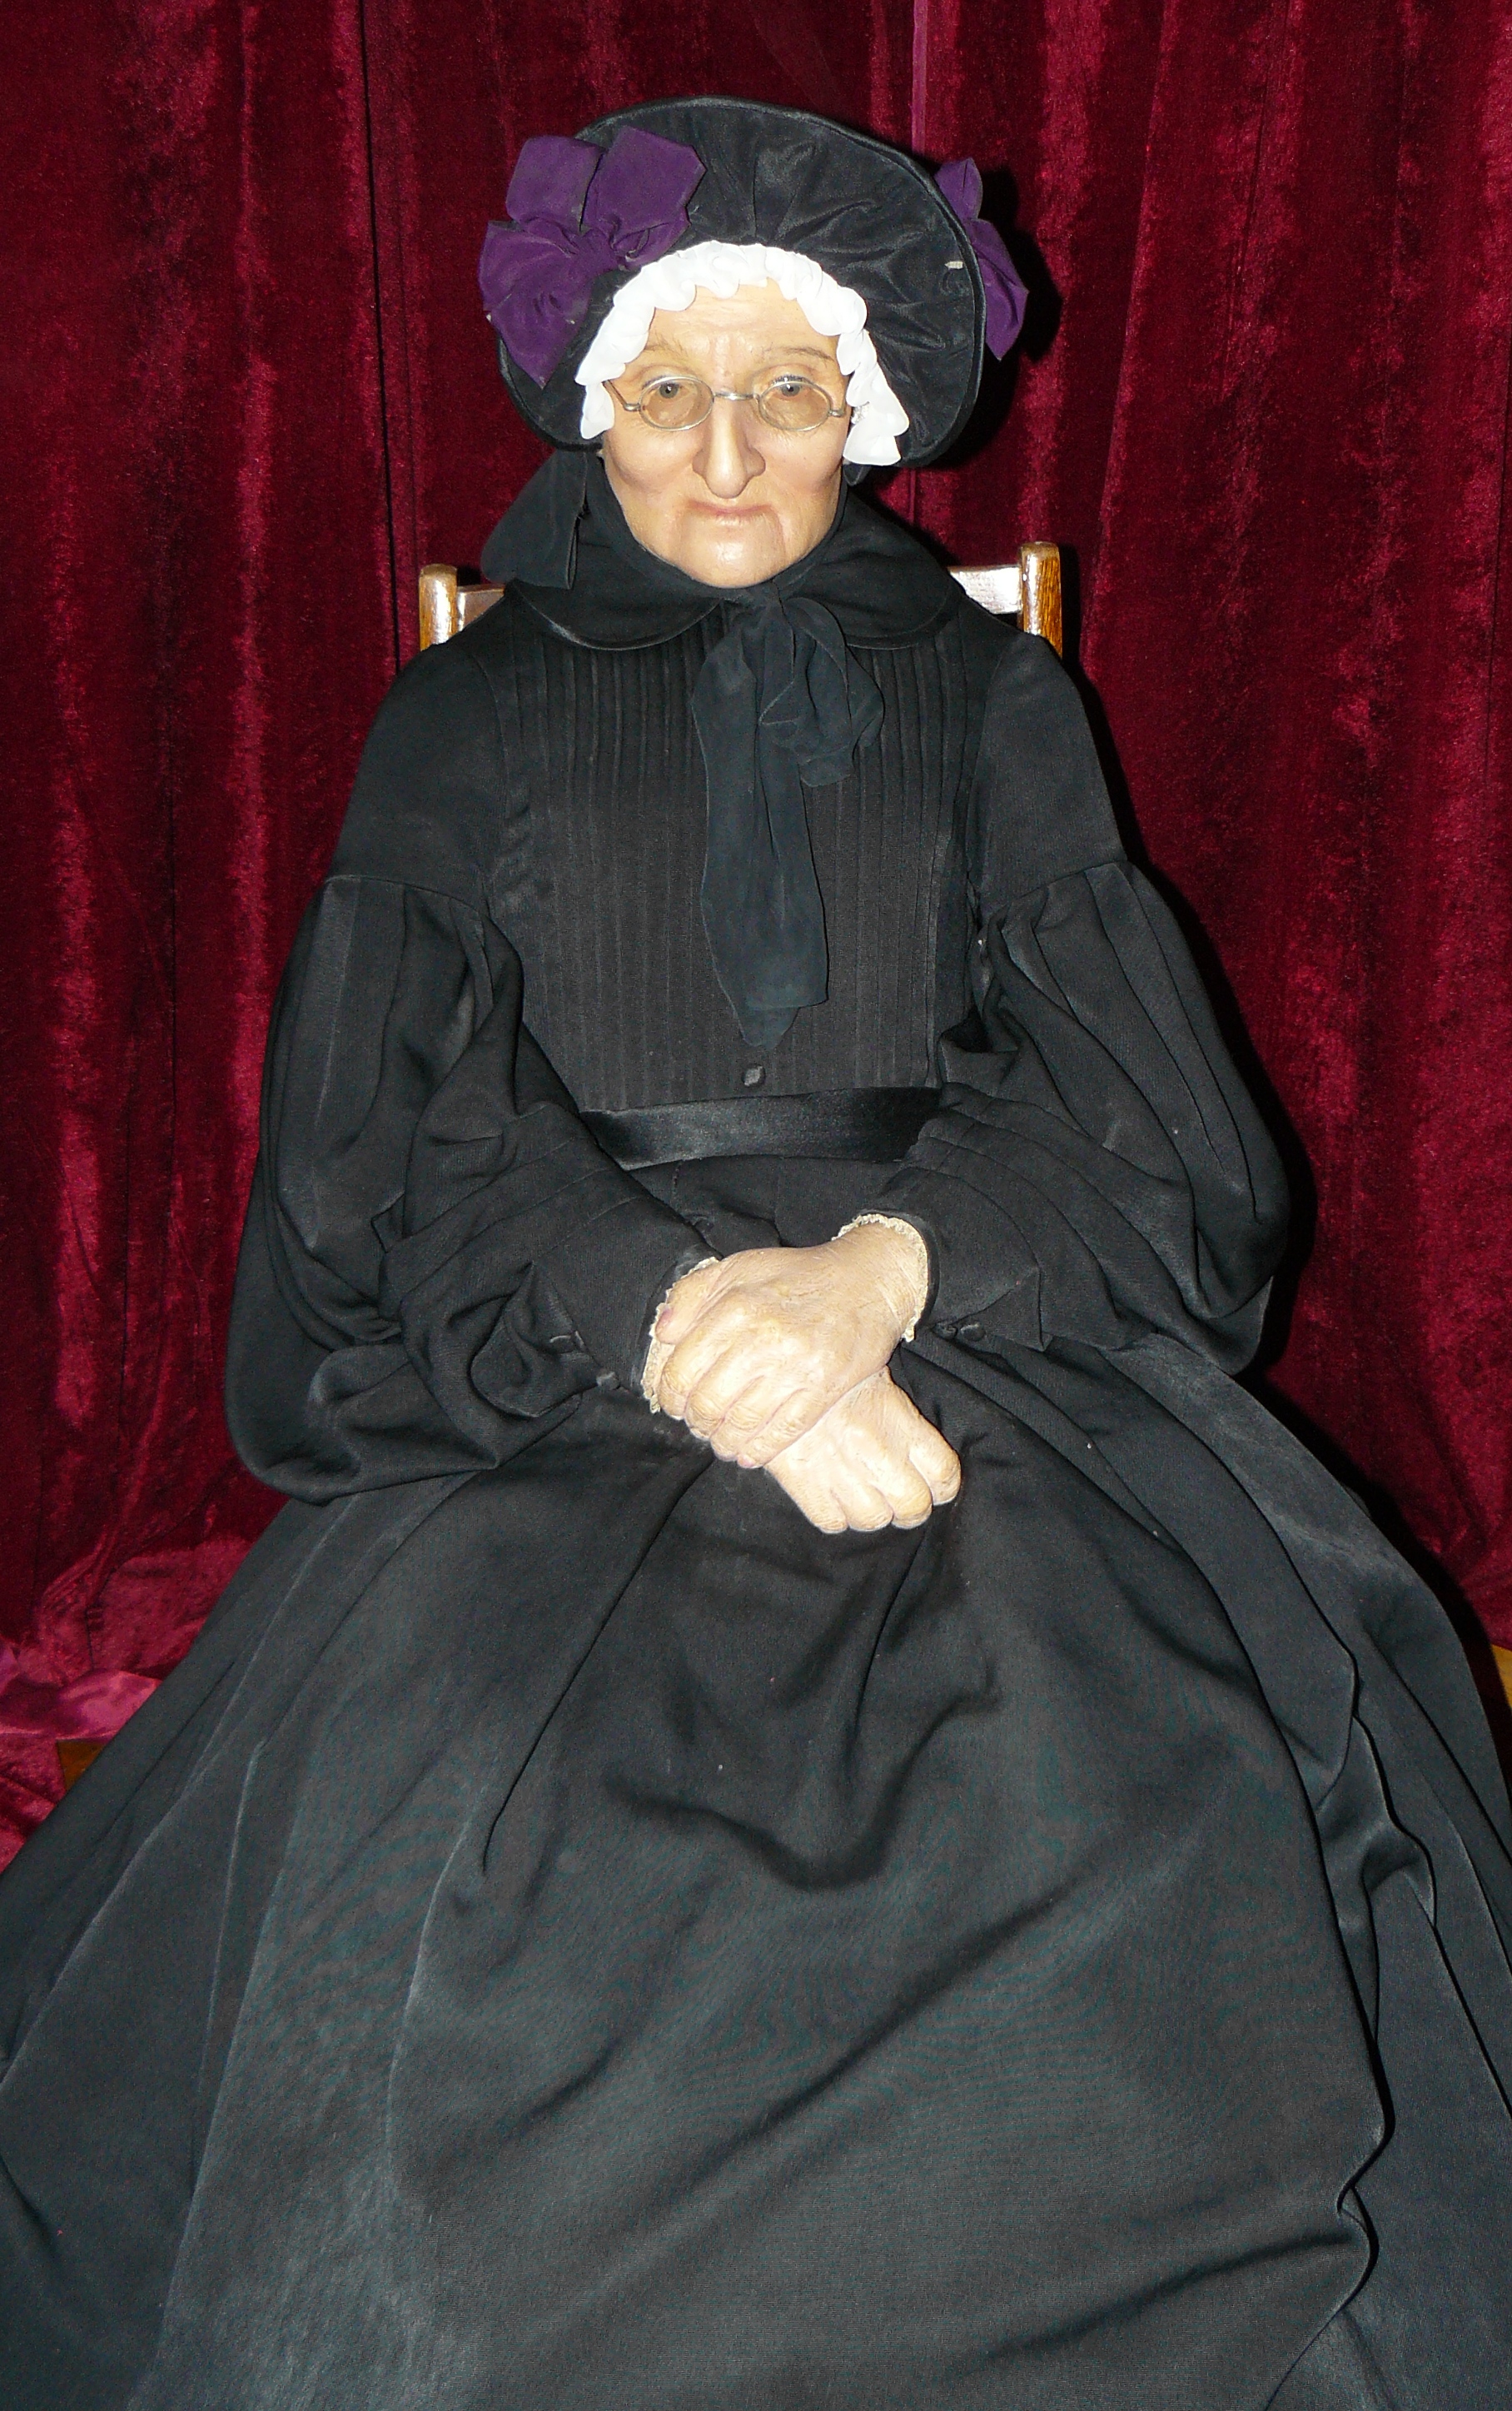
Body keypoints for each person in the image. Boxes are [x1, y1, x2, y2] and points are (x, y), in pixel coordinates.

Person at [1, 96, 1508, 2411]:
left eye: (786, 391)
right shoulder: (460, 710)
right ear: (588, 396)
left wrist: (876, 1280)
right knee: (458, 1933)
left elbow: (1138, 1110)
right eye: (669, 389)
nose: (725, 455)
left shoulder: (1000, 695)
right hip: (557, 1349)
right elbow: (386, 1145)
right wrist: (677, 1318)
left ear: (870, 408)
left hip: (978, 1317)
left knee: (1136, 1813)